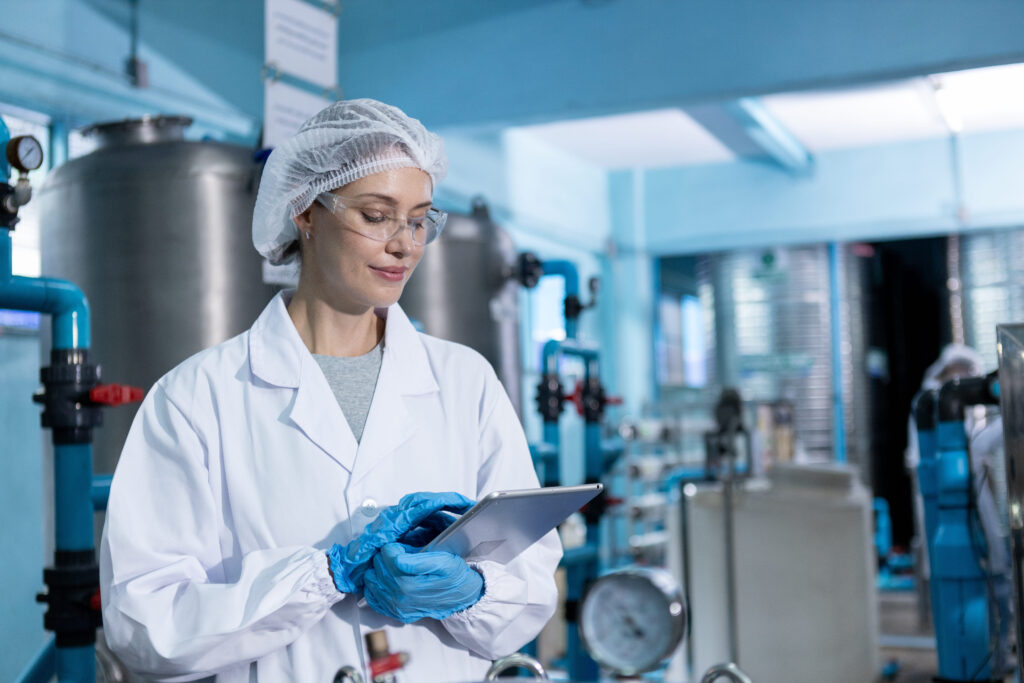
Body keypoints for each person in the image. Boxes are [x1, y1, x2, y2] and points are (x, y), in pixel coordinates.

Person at [99, 99, 562, 683]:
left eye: (419, 220)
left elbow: (533, 581)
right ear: (305, 213)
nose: (405, 245)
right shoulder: (196, 398)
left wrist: (471, 590)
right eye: (376, 215)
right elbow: (143, 626)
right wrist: (324, 574)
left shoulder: (465, 382)